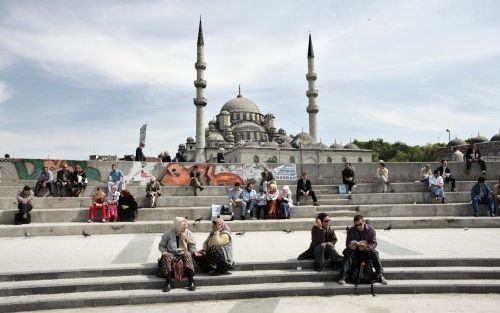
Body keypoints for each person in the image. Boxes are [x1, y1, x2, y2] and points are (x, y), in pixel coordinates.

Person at [338, 215, 387, 285]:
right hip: (355, 251)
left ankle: (380, 275)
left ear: (363, 222)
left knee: (375, 252)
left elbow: (374, 243)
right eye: (356, 225)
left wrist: (366, 247)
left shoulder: (370, 229)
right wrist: (351, 246)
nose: (358, 227)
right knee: (347, 251)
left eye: (360, 224)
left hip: (366, 251)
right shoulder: (351, 230)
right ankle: (343, 276)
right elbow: (347, 243)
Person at [158, 217, 197, 292]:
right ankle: (168, 282)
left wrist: (194, 252)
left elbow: (192, 245)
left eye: (185, 227)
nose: (184, 229)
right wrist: (164, 252)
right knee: (167, 256)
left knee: (188, 255)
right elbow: (161, 246)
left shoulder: (188, 232)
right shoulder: (168, 233)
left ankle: (191, 282)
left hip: (183, 252)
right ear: (176, 226)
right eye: (182, 227)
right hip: (171, 253)